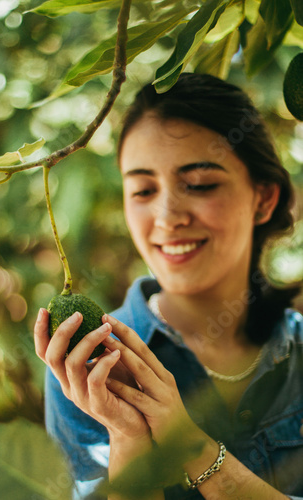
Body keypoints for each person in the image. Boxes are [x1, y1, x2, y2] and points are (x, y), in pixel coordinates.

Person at [34, 73, 303, 500]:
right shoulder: (88, 368)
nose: (166, 216)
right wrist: (128, 436)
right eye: (142, 190)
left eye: (199, 185)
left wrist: (193, 448)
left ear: (264, 198)